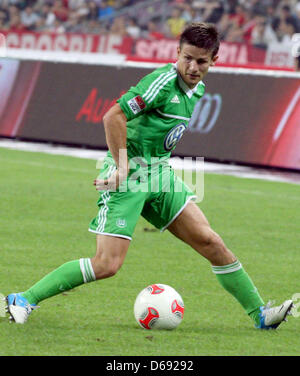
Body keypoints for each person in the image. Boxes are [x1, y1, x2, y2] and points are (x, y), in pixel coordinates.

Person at [5, 22, 293, 329]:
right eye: (187, 58)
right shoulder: (162, 82)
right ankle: (22, 299)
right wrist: (122, 165)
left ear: (214, 60)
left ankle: (260, 315)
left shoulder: (197, 89)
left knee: (211, 242)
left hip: (159, 174)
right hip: (129, 174)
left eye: (201, 61)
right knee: (107, 264)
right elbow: (113, 115)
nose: (193, 67)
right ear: (177, 53)